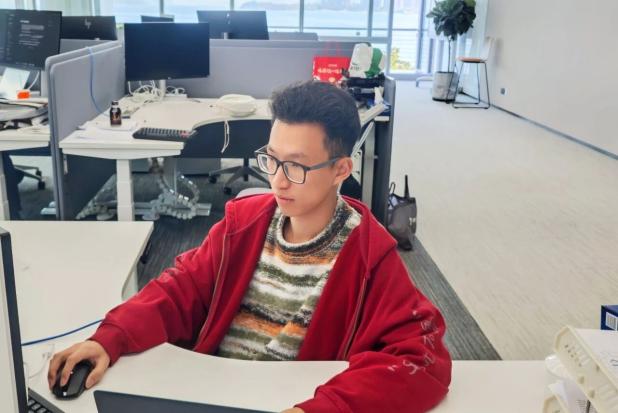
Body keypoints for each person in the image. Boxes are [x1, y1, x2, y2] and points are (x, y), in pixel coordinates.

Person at [48, 80, 452, 412]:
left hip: (295, 400)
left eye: (296, 166)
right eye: (271, 159)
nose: (277, 180)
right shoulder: (243, 225)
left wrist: (327, 408)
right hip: (216, 391)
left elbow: (423, 359)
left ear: (340, 170)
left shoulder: (368, 257)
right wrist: (111, 337)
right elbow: (179, 290)